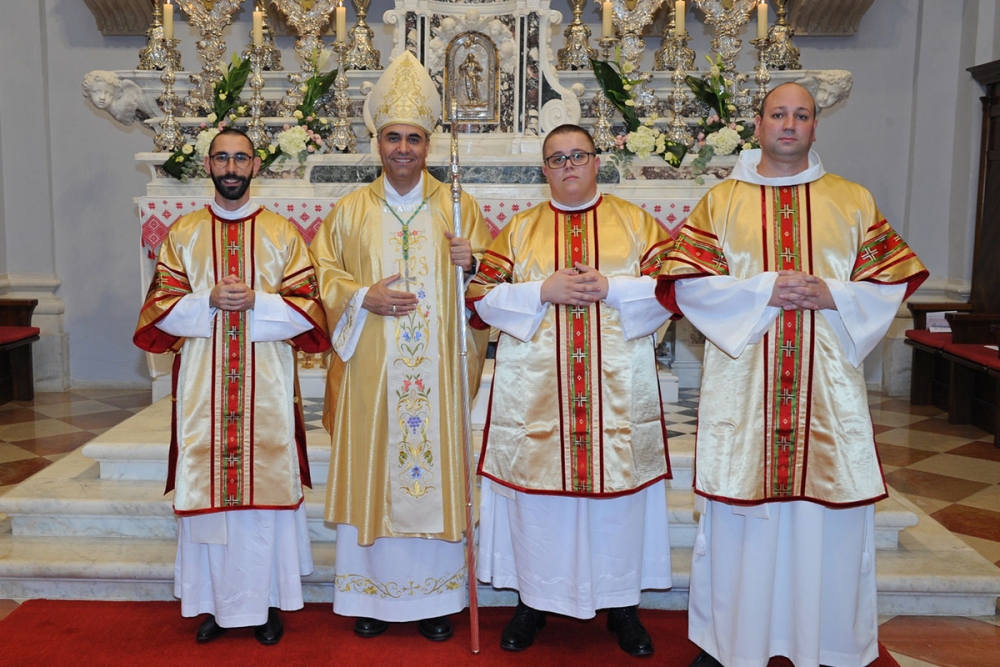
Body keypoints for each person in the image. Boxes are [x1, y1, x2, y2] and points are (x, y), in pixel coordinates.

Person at [655, 83, 928, 667]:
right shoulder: (721, 201)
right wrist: (765, 289)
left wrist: (831, 293)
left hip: (826, 391)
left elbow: (890, 285)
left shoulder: (852, 200)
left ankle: (825, 641)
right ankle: (731, 643)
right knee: (740, 516)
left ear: (815, 127)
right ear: (757, 125)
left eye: (801, 115)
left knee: (824, 518)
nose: (789, 124)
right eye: (778, 114)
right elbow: (687, 286)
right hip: (744, 386)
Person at [468, 124, 675, 657]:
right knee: (540, 506)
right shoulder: (519, 229)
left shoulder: (636, 225)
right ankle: (532, 601)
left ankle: (622, 606)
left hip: (616, 397)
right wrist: (542, 290)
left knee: (619, 504)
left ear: (596, 160)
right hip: (537, 398)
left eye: (577, 155)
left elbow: (675, 293)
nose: (568, 166)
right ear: (544, 169)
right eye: (556, 159)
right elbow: (480, 298)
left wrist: (613, 289)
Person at [309, 50, 491, 642]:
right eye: (393, 138)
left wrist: (474, 262)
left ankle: (436, 600)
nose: (404, 149)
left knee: (433, 472)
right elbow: (321, 278)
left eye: (414, 138)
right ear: (377, 142)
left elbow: (492, 285)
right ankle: (375, 597)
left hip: (436, 374)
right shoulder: (350, 211)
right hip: (371, 370)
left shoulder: (459, 208)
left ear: (428, 145)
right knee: (374, 467)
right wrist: (363, 297)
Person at [134, 127, 330, 646]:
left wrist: (257, 303)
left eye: (240, 158)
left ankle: (265, 603)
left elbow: (311, 308)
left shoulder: (284, 234)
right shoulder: (185, 233)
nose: (231, 167)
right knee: (211, 499)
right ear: (208, 166)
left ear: (256, 166)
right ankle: (216, 604)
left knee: (262, 496)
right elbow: (157, 308)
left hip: (265, 386)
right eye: (222, 157)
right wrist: (208, 300)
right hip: (203, 388)